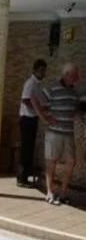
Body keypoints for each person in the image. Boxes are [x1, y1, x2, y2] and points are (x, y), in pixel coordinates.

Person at [41, 63, 80, 205]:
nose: (77, 77)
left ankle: (63, 192)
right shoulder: (52, 88)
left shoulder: (74, 92)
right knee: (51, 161)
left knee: (71, 162)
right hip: (54, 133)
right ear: (68, 74)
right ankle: (49, 192)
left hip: (68, 133)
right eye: (75, 74)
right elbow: (39, 102)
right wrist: (45, 117)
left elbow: (76, 108)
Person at [18, 59, 50, 188]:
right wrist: (37, 109)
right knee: (26, 148)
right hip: (27, 119)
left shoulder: (38, 85)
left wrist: (42, 108)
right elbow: (25, 100)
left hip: (32, 118)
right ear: (34, 70)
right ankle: (22, 178)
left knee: (30, 148)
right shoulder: (30, 83)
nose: (43, 73)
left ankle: (26, 175)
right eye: (41, 70)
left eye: (44, 70)